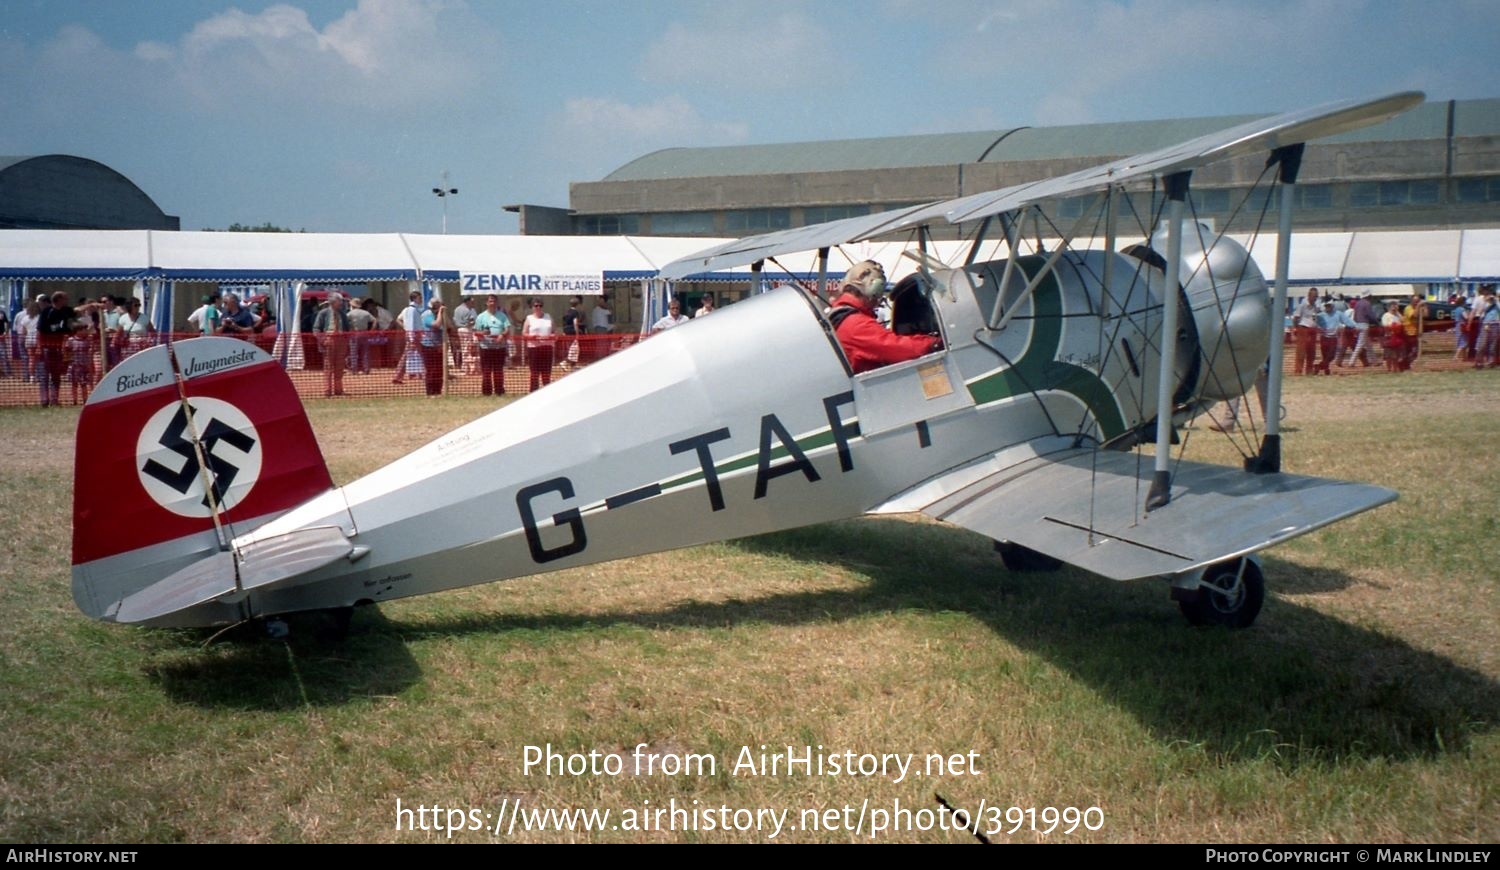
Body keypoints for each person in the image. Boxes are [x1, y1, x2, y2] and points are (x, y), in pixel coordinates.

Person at [827, 260, 941, 374]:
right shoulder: (856, 324)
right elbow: (899, 349)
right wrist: (935, 343)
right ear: (874, 287)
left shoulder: (844, 316)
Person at [313, 292, 351, 397]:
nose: (341, 303)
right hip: (328, 339)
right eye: (340, 301)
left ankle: (339, 390)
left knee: (340, 366)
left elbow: (347, 328)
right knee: (328, 366)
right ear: (333, 302)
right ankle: (327, 391)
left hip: (341, 340)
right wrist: (322, 340)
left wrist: (346, 340)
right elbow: (316, 329)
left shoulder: (342, 314)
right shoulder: (323, 313)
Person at [474, 293, 510, 396]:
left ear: (497, 302)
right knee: (486, 371)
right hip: (485, 348)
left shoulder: (502, 315)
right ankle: (486, 392)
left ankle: (499, 391)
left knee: (498, 371)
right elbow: (476, 332)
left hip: (499, 347)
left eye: (494, 301)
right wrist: (483, 333)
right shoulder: (481, 317)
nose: (492, 303)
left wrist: (502, 335)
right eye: (490, 301)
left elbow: (507, 328)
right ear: (486, 303)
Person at [522, 297, 555, 392]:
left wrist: (552, 336)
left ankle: (547, 391)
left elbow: (554, 331)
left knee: (546, 372)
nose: (538, 307)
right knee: (534, 373)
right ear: (532, 307)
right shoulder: (529, 318)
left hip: (547, 348)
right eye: (536, 305)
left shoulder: (548, 316)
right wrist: (531, 337)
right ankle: (534, 392)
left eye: (540, 305)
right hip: (534, 348)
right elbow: (524, 333)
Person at [393, 290, 425, 385]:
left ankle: (400, 375)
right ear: (415, 299)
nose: (421, 300)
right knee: (418, 355)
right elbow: (410, 324)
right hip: (414, 335)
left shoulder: (407, 309)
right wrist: (411, 337)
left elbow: (399, 319)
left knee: (411, 355)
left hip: (413, 335)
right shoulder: (412, 310)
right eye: (420, 298)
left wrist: (405, 328)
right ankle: (421, 374)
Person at [419, 296, 447, 396]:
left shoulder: (440, 315)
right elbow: (436, 324)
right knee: (431, 369)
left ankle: (437, 391)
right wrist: (440, 313)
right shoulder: (427, 315)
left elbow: (449, 326)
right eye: (436, 307)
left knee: (439, 370)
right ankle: (430, 392)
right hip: (428, 346)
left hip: (439, 346)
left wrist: (444, 315)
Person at [1291, 288, 1321, 375]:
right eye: (1313, 296)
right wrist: (1295, 328)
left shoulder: (1316, 307)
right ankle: (1298, 370)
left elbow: (1315, 317)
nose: (1314, 298)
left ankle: (1309, 370)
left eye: (1316, 296)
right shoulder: (1302, 305)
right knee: (1301, 350)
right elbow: (1296, 317)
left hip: (1312, 330)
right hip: (1303, 329)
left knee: (1311, 351)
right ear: (1309, 296)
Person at [346, 297, 376, 374]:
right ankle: (366, 369)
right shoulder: (366, 313)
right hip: (365, 333)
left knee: (353, 352)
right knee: (365, 352)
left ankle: (354, 370)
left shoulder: (350, 313)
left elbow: (345, 322)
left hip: (354, 334)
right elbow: (375, 320)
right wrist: (371, 331)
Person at [1475, 285, 1500, 369]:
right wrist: (1487, 302)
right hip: (1486, 323)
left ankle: (1491, 362)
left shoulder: (1497, 302)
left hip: (1496, 323)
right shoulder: (1482, 300)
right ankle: (1479, 362)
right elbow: (1480, 312)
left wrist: (1496, 301)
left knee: (1493, 345)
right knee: (1483, 344)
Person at [1401, 294, 1427, 370]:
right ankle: (1404, 364)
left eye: (1418, 301)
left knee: (1415, 351)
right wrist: (1419, 306)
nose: (1416, 303)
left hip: (1416, 333)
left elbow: (1426, 315)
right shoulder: (1408, 308)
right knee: (1409, 351)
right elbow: (1414, 316)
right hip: (1408, 333)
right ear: (1411, 301)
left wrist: (1424, 306)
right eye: (1415, 301)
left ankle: (1407, 364)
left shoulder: (1419, 308)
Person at [452, 295, 476, 374]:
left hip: (459, 329)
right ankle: (467, 368)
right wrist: (473, 322)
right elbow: (469, 322)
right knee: (467, 349)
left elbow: (454, 320)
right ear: (468, 301)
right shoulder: (466, 310)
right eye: (471, 301)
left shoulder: (456, 309)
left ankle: (465, 367)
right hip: (466, 329)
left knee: (464, 348)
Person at [1380, 300, 1405, 372]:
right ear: (1389, 307)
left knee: (1396, 355)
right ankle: (1389, 369)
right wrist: (1392, 326)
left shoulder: (1397, 315)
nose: (1394, 308)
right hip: (1389, 337)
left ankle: (1395, 369)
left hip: (1397, 337)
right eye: (1393, 306)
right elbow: (1385, 325)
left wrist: (1397, 313)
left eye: (1396, 306)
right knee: (1389, 355)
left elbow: (1403, 321)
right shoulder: (1386, 315)